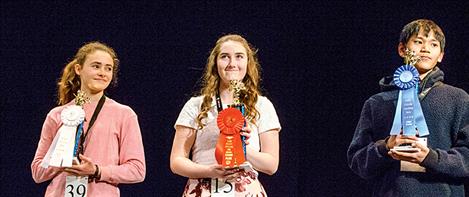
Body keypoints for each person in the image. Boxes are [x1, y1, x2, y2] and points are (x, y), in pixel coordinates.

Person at [347, 19, 469, 196]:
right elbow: (356, 160)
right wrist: (385, 147)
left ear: (441, 55)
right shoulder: (377, 102)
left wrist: (430, 158)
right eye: (418, 42)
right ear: (402, 49)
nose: (425, 48)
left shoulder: (459, 99)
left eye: (433, 44)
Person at [170, 34, 281, 196]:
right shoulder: (195, 105)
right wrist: (209, 171)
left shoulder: (262, 105)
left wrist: (242, 148)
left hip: (245, 190)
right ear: (215, 63)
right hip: (203, 188)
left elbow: (271, 165)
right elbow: (176, 161)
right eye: (225, 57)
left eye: (239, 57)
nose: (232, 63)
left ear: (248, 63)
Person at [31, 42, 146, 196]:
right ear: (79, 69)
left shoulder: (124, 114)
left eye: (108, 68)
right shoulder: (57, 115)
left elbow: (137, 170)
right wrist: (62, 161)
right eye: (96, 66)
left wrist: (97, 170)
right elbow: (38, 172)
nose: (103, 73)